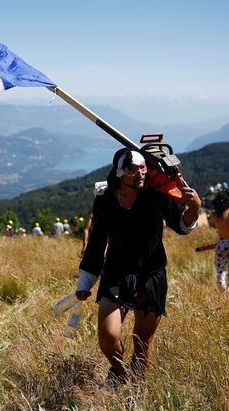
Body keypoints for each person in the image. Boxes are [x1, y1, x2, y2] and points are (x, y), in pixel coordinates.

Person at [75, 149, 201, 385]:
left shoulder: (158, 194)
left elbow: (181, 226)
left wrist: (193, 208)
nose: (140, 174)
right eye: (133, 170)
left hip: (150, 275)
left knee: (142, 342)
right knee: (108, 335)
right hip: (115, 274)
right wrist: (85, 281)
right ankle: (119, 372)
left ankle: (136, 392)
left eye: (143, 168)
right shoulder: (105, 200)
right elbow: (97, 241)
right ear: (120, 173)